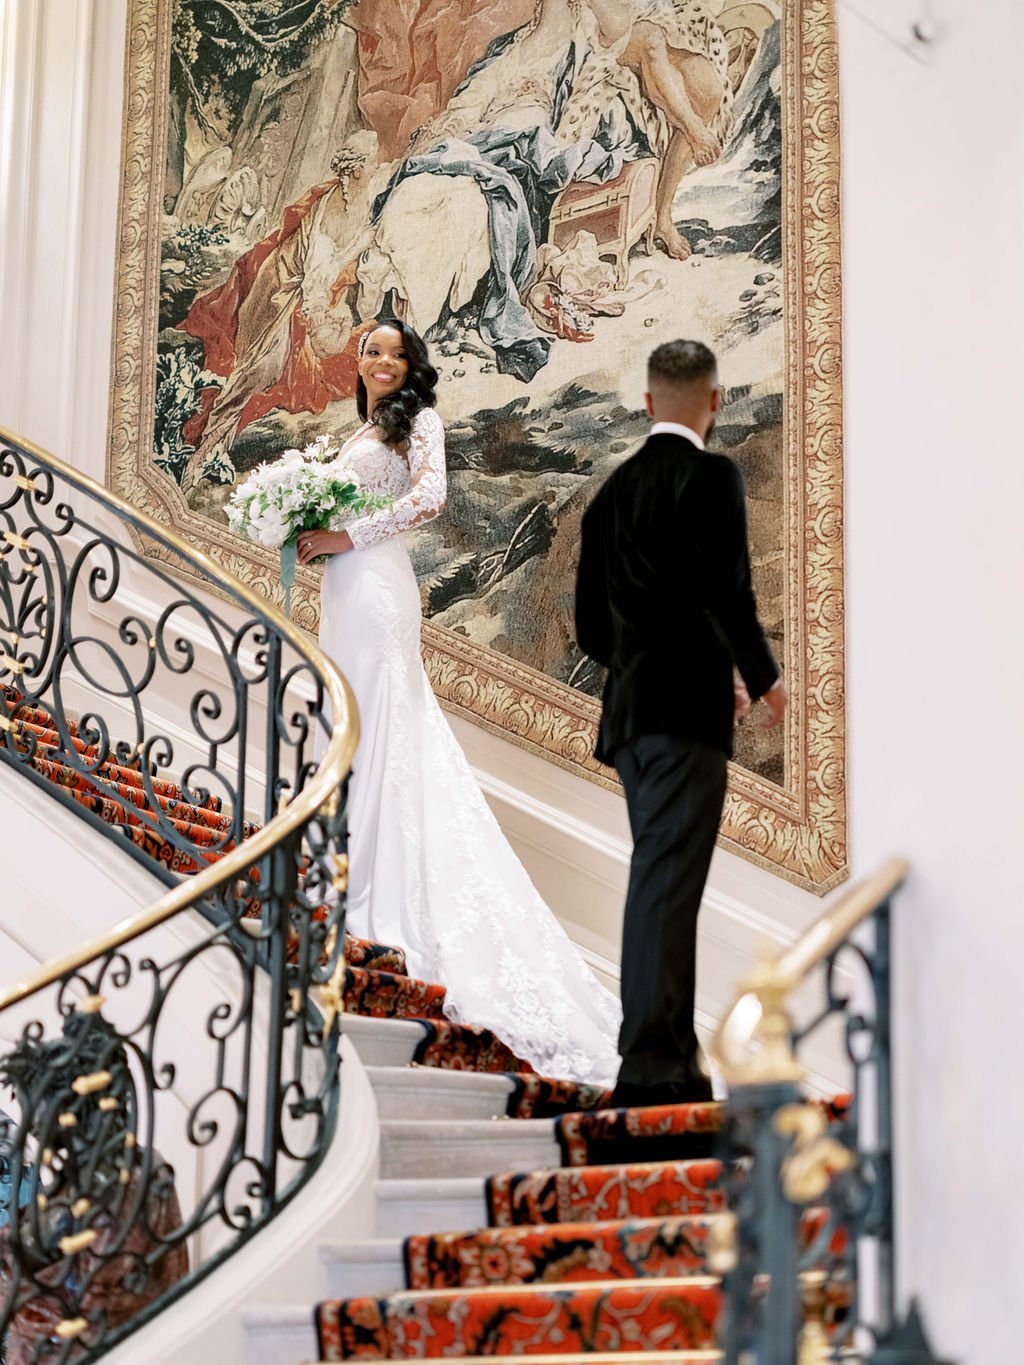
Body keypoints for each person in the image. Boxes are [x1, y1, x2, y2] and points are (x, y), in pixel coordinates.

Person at [296, 320, 620, 1085]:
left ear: (411, 366)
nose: (379, 360)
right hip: (343, 595)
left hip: (376, 590)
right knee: (353, 727)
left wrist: (348, 537)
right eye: (371, 350)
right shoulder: (362, 427)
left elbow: (432, 499)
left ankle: (378, 889)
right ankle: (344, 869)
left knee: (384, 729)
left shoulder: (421, 421)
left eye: (393, 352)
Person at [574, 338, 785, 1107]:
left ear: (648, 400)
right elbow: (729, 593)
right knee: (666, 882)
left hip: (631, 719)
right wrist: (763, 680)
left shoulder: (612, 493)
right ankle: (650, 1064)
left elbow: (592, 628)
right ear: (716, 400)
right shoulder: (714, 476)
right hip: (685, 717)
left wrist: (650, 663)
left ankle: (675, 1054)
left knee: (666, 879)